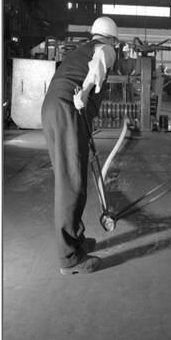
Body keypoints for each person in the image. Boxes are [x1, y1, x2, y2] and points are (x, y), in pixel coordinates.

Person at [41, 17, 118, 274]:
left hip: (55, 108)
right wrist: (84, 93)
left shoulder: (79, 51)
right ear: (112, 38)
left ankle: (76, 238)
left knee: (73, 178)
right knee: (71, 183)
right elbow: (100, 62)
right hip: (67, 110)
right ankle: (69, 258)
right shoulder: (105, 48)